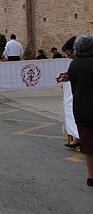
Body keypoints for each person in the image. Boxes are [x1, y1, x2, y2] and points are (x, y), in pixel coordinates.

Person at [56, 34, 93, 187]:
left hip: (82, 110)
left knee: (88, 146)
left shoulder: (75, 64)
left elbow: (71, 77)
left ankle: (91, 176)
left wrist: (65, 77)